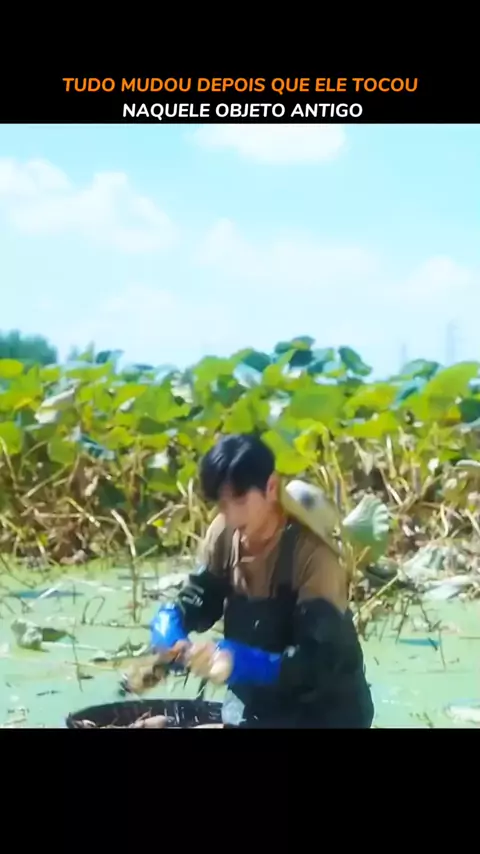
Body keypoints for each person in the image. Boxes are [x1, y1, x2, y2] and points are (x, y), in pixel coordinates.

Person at [149, 433, 374, 728]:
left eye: (241, 499)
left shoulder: (313, 557)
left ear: (271, 487)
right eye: (222, 504)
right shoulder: (224, 533)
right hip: (253, 709)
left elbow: (320, 663)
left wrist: (245, 663)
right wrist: (174, 622)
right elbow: (203, 596)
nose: (232, 516)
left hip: (326, 715)